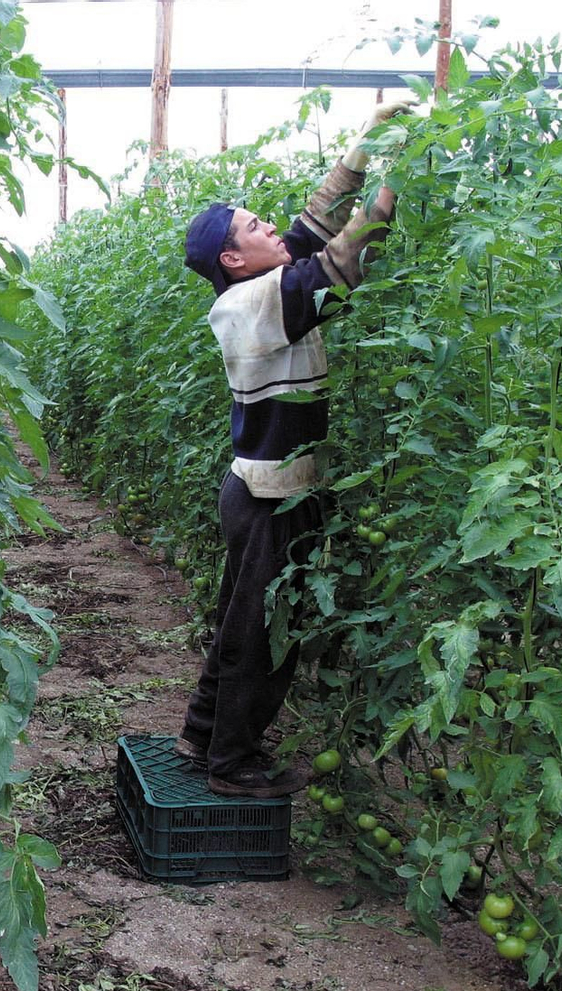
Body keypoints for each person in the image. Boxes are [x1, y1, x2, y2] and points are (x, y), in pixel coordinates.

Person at [175, 100, 410, 799]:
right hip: (273, 496)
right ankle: (234, 766)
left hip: (260, 489)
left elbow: (315, 224)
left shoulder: (262, 284)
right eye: (255, 226)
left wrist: (364, 147)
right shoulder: (249, 305)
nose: (272, 226)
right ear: (232, 258)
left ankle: (200, 735)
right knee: (267, 633)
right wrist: (400, 177)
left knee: (240, 622)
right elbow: (342, 257)